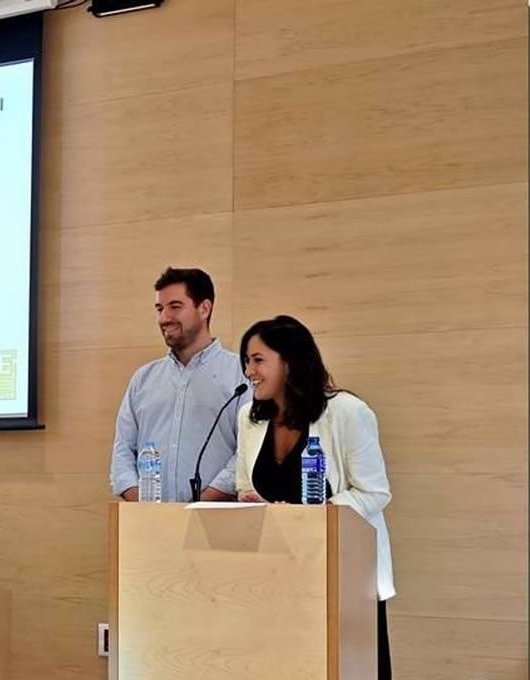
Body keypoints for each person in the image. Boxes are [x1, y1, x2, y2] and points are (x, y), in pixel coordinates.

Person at [234, 315, 394, 679]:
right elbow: (246, 486)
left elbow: (374, 492)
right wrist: (251, 504)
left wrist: (312, 515)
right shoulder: (249, 418)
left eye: (258, 360)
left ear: (289, 363)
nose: (249, 371)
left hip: (343, 574)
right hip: (276, 574)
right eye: (247, 360)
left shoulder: (348, 413)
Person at [109, 267, 249, 502]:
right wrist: (143, 508)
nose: (164, 318)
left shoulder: (240, 375)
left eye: (174, 307)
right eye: (159, 309)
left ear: (204, 309)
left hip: (217, 522)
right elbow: (122, 452)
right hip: (148, 524)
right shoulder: (143, 379)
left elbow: (247, 451)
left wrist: (200, 505)